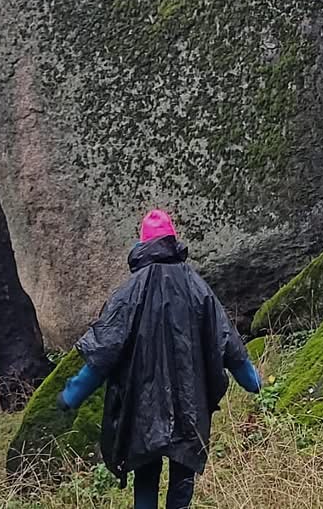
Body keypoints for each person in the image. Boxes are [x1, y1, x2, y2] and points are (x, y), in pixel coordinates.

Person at [57, 209, 261, 509]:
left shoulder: (128, 293)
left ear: (142, 245)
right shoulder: (197, 288)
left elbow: (103, 352)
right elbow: (227, 341)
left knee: (146, 476)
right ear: (172, 241)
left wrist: (73, 393)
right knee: (182, 478)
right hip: (190, 405)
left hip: (144, 406)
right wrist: (253, 382)